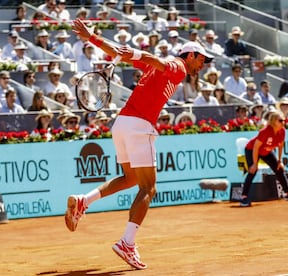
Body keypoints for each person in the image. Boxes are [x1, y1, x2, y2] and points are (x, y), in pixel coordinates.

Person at [65, 18, 213, 270]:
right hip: (139, 127)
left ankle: (83, 201)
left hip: (122, 124)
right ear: (190, 55)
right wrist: (137, 52)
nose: (203, 65)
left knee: (131, 178)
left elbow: (116, 52)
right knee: (148, 188)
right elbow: (154, 59)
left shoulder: (162, 69)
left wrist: (91, 37)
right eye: (201, 60)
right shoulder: (177, 66)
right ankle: (127, 242)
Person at [240, 110, 288, 207]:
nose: (283, 122)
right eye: (280, 120)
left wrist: (280, 160)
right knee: (252, 171)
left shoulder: (282, 131)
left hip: (266, 151)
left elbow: (280, 146)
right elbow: (255, 147)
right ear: (273, 121)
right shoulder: (265, 132)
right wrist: (254, 164)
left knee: (279, 169)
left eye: (283, 120)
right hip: (252, 150)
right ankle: (243, 198)